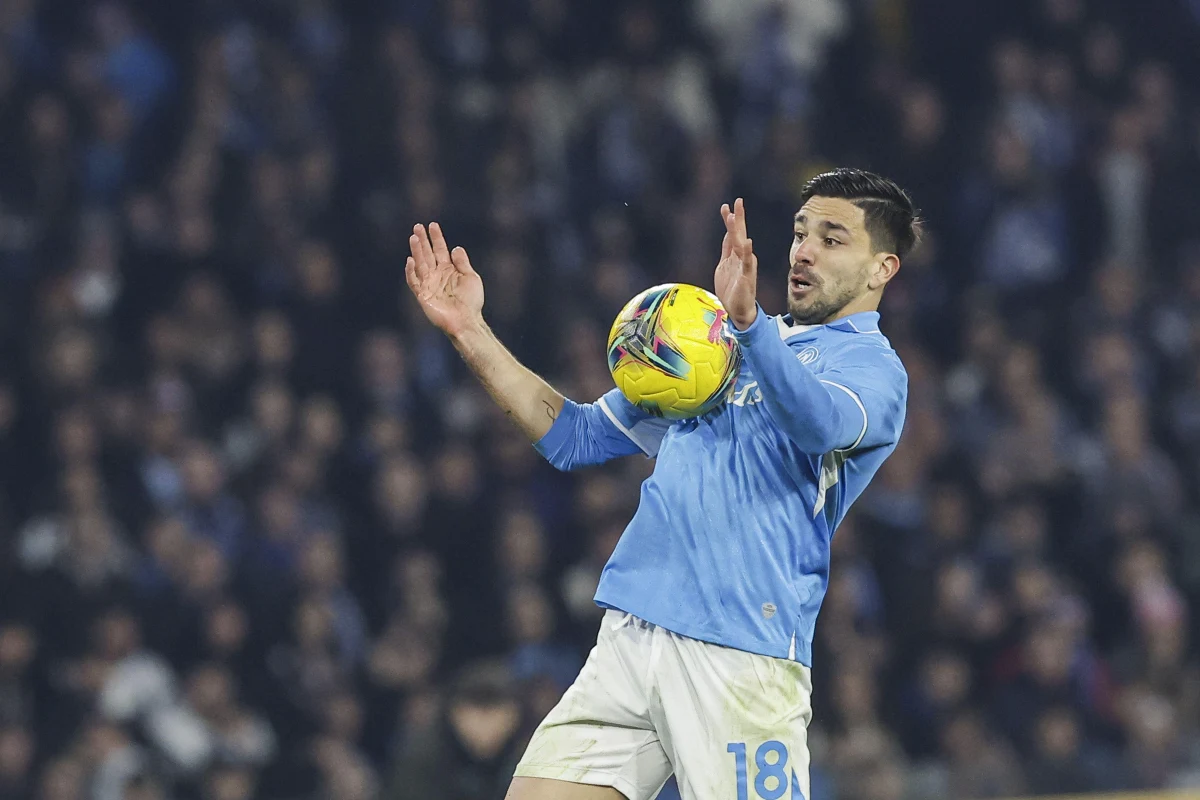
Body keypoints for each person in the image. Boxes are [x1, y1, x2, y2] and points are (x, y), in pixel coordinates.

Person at [404, 168, 918, 800]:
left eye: (832, 239)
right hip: (633, 631)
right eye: (799, 233)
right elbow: (575, 437)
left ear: (882, 269)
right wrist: (469, 330)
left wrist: (751, 326)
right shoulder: (717, 347)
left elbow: (817, 425)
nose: (804, 251)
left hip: (739, 657)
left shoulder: (873, 370)